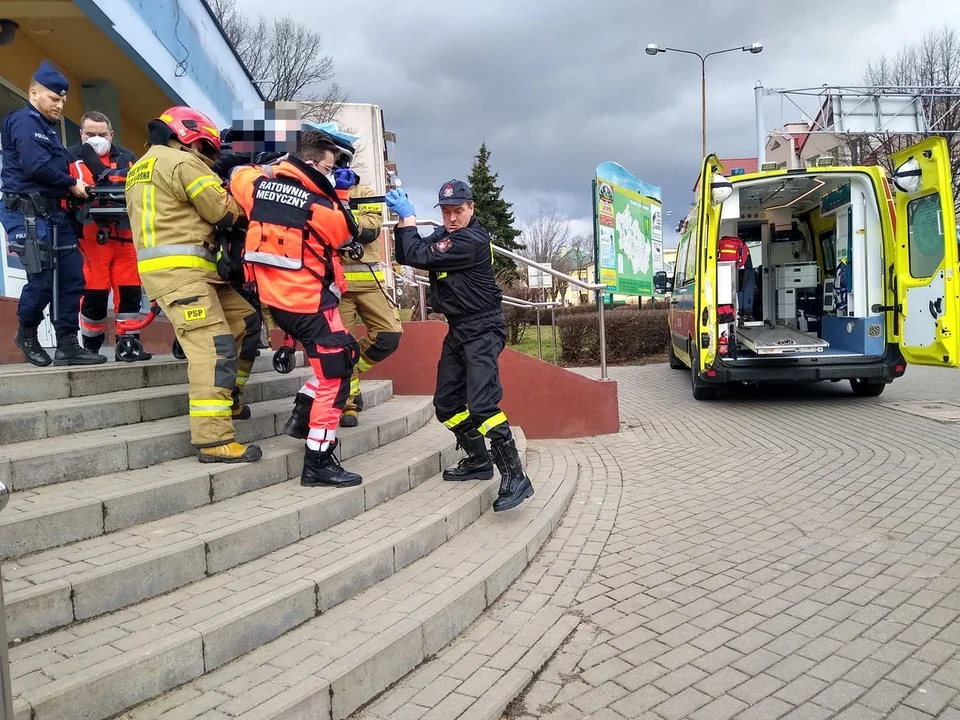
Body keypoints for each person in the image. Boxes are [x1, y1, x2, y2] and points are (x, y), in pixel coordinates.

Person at [225, 130, 363, 488]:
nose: (331, 172)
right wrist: (340, 192)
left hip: (276, 302)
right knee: (336, 374)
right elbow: (346, 233)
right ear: (313, 164)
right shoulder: (321, 207)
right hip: (310, 302)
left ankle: (302, 414)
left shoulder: (255, 184)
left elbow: (238, 174)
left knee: (340, 354)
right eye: (329, 167)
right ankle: (318, 460)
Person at [125, 106, 262, 464]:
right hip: (183, 275)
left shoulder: (144, 164)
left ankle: (228, 400)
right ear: (191, 138)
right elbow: (224, 212)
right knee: (213, 349)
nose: (208, 158)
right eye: (207, 150)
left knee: (246, 322)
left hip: (194, 273)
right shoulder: (182, 163)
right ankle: (214, 439)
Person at [386, 180, 533, 512]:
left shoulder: (471, 240)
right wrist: (401, 222)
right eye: (447, 212)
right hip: (458, 329)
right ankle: (479, 460)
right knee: (447, 405)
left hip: (483, 328)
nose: (451, 218)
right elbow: (406, 252)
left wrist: (408, 218)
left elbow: (418, 253)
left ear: (471, 209)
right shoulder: (448, 236)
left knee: (482, 405)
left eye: (458, 211)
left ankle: (516, 476)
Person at [0, 61, 105, 366]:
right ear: (34, 93)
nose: (60, 105)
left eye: (63, 100)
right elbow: (35, 166)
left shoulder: (47, 129)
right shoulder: (24, 121)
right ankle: (27, 332)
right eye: (54, 99)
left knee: (72, 278)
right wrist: (73, 183)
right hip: (27, 215)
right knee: (42, 279)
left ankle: (68, 344)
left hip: (53, 215)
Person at [313, 124, 402, 427]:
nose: (336, 167)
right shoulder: (316, 194)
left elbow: (368, 230)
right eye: (332, 162)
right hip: (336, 285)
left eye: (341, 161)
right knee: (340, 343)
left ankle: (351, 371)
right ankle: (348, 401)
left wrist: (343, 203)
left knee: (389, 336)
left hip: (367, 281)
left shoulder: (363, 193)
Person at [67, 111, 150, 360]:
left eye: (102, 134)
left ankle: (129, 344)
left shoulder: (127, 158)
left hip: (125, 238)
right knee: (94, 295)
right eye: (90, 134)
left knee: (130, 293)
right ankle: (91, 347)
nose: (96, 138)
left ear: (111, 135)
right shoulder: (70, 158)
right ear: (81, 134)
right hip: (90, 239)